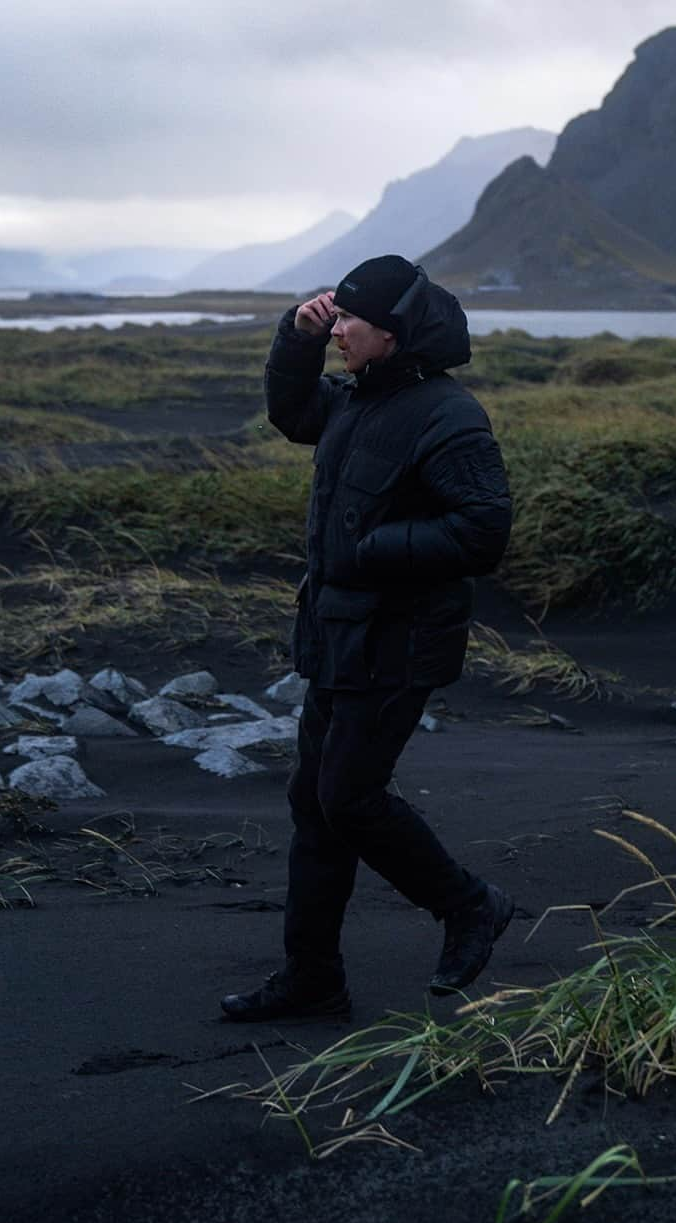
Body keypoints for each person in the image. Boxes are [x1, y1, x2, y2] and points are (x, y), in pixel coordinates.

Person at [220, 255, 514, 1022]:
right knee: (315, 805)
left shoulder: (450, 416)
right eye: (337, 316)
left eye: (351, 320)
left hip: (399, 643)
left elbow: (484, 531)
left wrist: (375, 549)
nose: (339, 327)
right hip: (338, 637)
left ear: (395, 329)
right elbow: (292, 414)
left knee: (348, 797)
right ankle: (312, 979)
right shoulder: (358, 401)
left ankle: (470, 905)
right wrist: (296, 336)